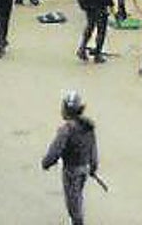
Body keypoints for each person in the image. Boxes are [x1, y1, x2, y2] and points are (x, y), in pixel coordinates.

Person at [41, 91, 100, 225]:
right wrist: (93, 166)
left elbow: (55, 150)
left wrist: (46, 163)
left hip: (71, 171)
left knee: (73, 205)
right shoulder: (88, 127)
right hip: (84, 169)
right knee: (77, 197)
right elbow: (93, 149)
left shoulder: (66, 130)